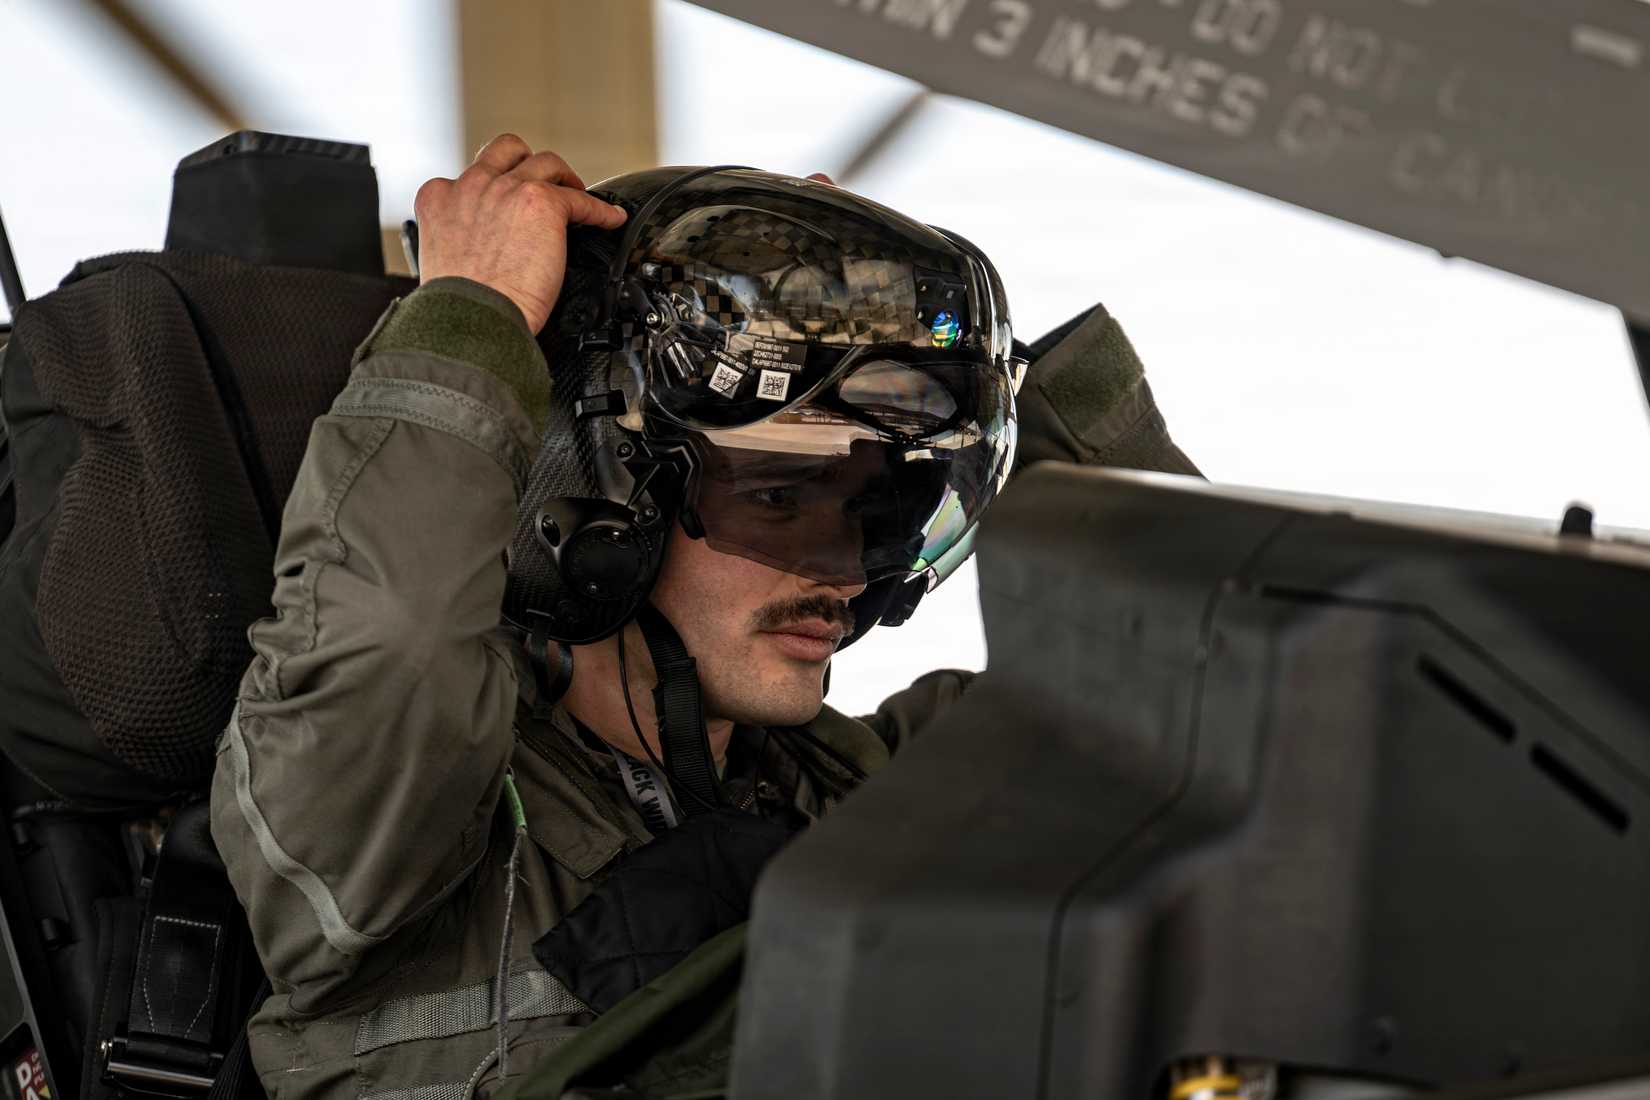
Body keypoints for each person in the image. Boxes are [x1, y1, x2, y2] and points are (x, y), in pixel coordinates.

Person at [208, 134, 1197, 1100]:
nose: (844, 572)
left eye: (875, 513)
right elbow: (393, 643)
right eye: (776, 502)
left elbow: (1209, 715)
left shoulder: (862, 797)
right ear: (593, 487)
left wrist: (993, 377)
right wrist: (475, 316)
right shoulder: (384, 838)